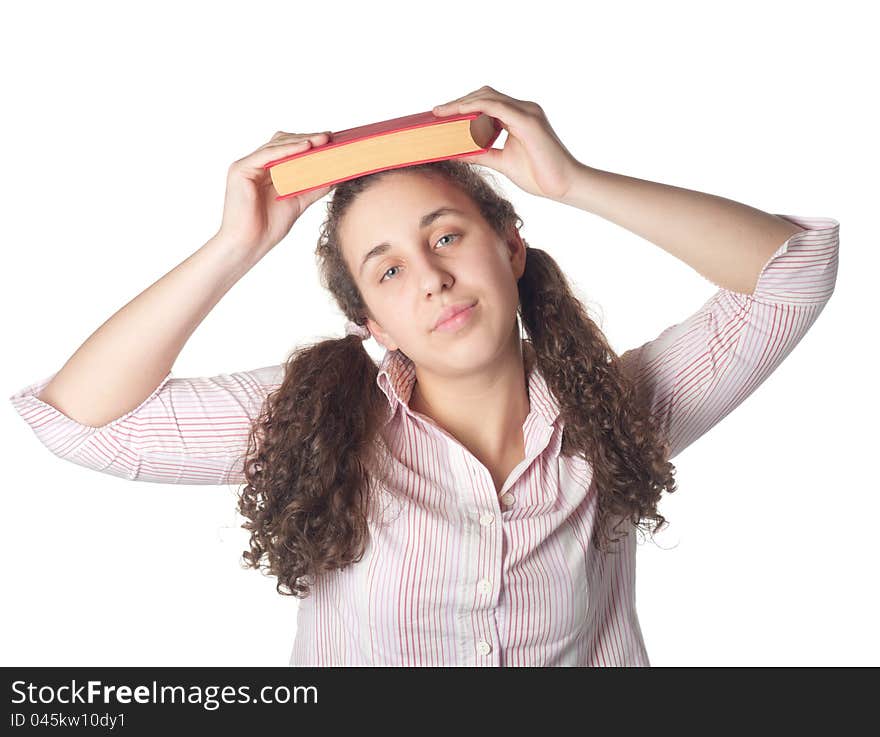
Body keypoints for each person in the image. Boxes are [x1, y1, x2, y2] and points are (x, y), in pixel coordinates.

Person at [9, 86, 840, 666]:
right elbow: (82, 422)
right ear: (371, 321)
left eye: (445, 236)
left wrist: (574, 182)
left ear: (510, 247)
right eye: (389, 271)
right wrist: (235, 247)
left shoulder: (620, 410)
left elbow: (795, 268)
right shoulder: (315, 419)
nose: (432, 278)